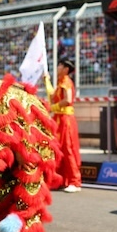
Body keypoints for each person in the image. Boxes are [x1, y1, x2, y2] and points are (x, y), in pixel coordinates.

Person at [44, 59, 82, 192]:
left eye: (60, 65)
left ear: (66, 69)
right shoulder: (60, 82)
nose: (58, 67)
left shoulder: (66, 81)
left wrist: (53, 107)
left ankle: (74, 181)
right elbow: (53, 95)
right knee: (58, 150)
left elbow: (68, 100)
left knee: (68, 149)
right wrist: (47, 81)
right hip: (58, 119)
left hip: (65, 120)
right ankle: (61, 180)